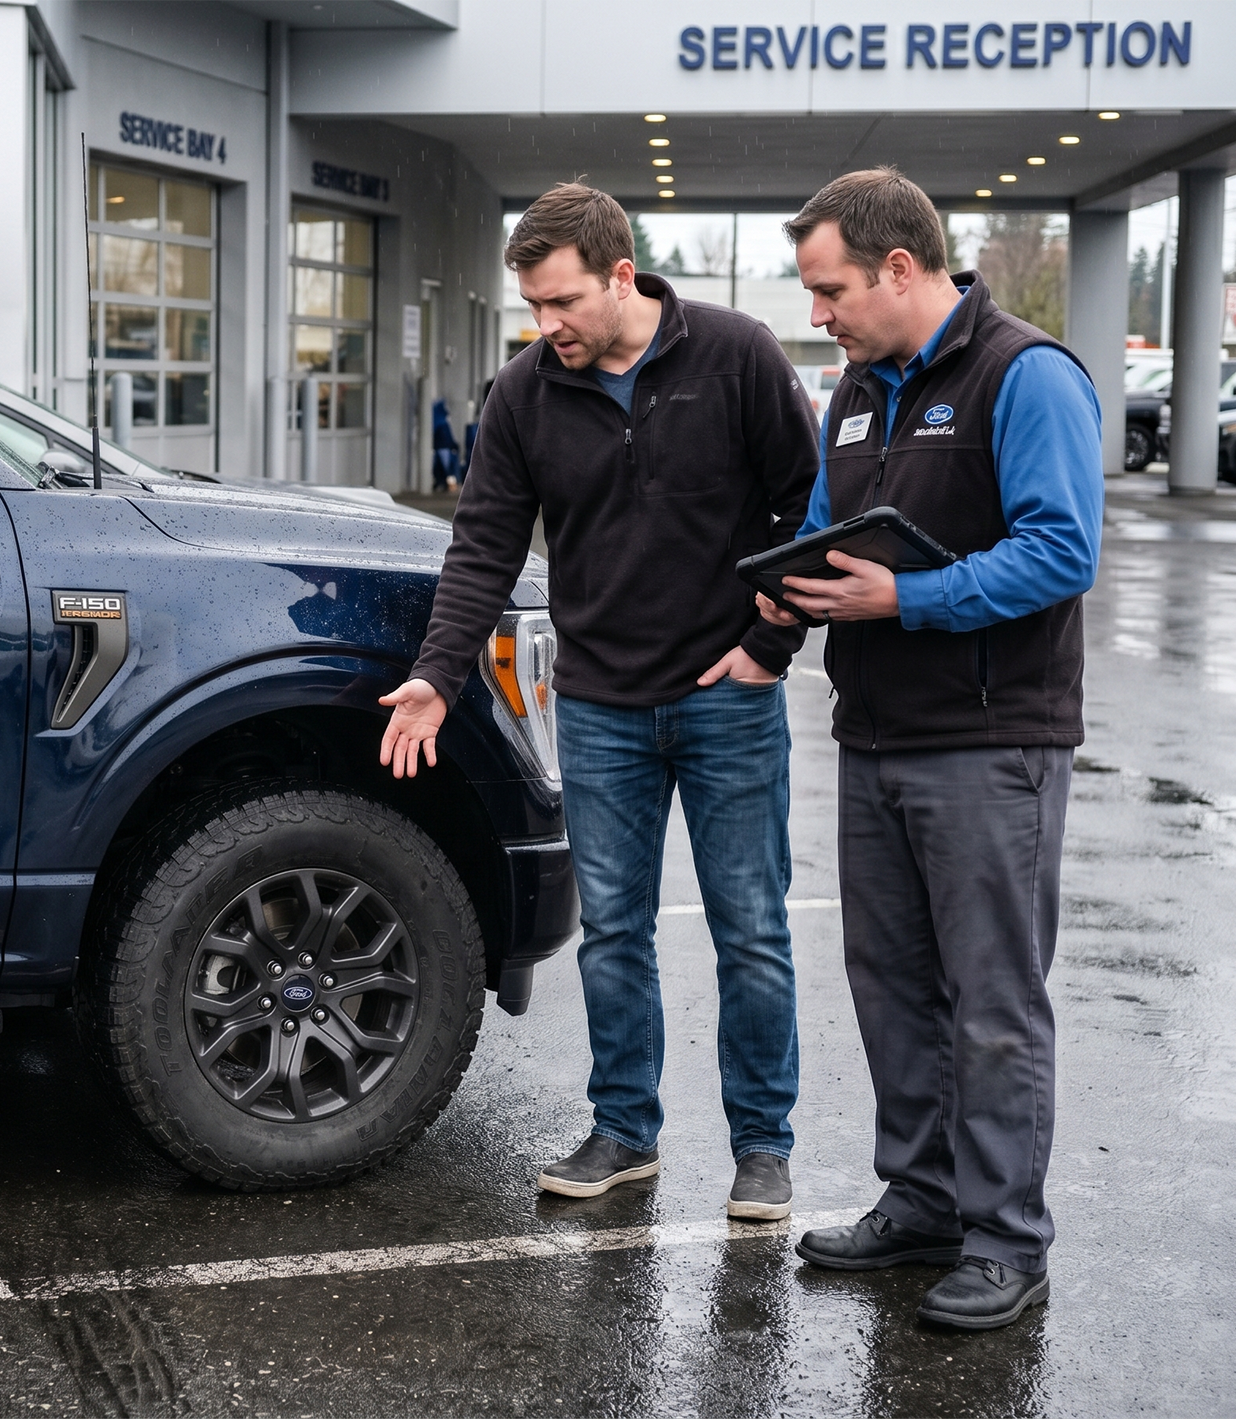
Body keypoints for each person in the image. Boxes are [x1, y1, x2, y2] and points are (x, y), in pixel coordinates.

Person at [379, 183, 818, 1219]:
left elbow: (810, 506)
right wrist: (437, 678)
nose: (547, 327)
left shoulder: (737, 354)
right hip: (601, 706)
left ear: (622, 276)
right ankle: (623, 1130)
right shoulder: (525, 392)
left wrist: (771, 643)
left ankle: (761, 1147)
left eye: (563, 303)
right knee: (614, 929)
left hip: (727, 700)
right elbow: (483, 544)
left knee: (749, 927)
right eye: (532, 307)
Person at [762, 168, 1101, 1330]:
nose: (819, 315)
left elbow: (1061, 551)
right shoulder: (855, 390)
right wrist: (785, 592)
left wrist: (905, 600)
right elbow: (821, 525)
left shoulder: (1027, 374)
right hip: (878, 737)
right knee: (894, 989)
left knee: (992, 1001)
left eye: (830, 289)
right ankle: (924, 1201)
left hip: (991, 742)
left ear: (900, 269)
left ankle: (1007, 1239)